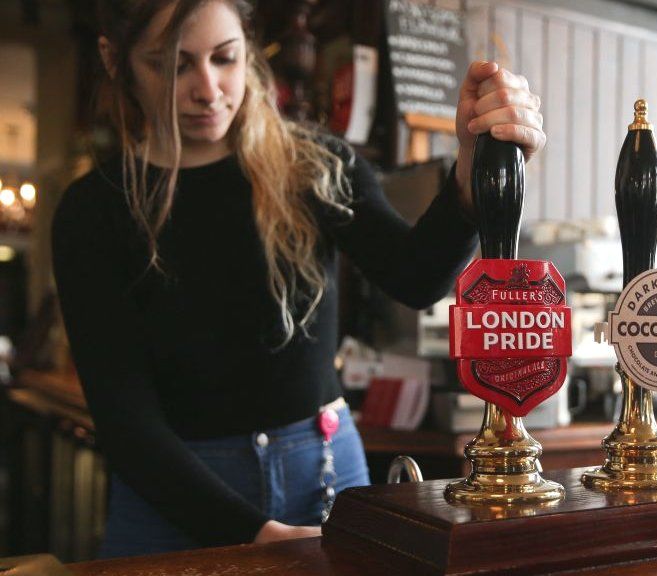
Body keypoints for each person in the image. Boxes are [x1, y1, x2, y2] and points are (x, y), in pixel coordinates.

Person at [51, 0, 544, 558]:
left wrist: (470, 171)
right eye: (171, 65)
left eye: (225, 58)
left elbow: (416, 277)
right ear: (115, 60)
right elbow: (125, 419)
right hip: (173, 499)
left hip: (325, 472)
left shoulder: (314, 162)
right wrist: (259, 534)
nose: (207, 88)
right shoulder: (95, 210)